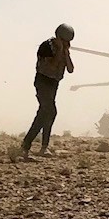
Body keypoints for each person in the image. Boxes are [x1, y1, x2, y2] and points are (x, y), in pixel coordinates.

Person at [21, 24, 76, 156]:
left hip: (53, 84)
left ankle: (29, 146)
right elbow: (52, 65)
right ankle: (40, 146)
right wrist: (59, 51)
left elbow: (70, 69)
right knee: (50, 111)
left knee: (44, 114)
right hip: (43, 82)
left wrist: (66, 53)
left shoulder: (63, 50)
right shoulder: (46, 47)